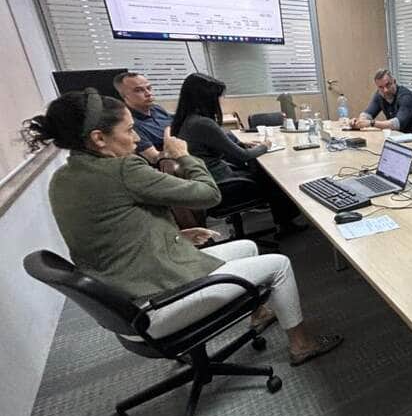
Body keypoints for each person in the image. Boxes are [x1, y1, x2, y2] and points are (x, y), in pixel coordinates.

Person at [21, 89, 342, 365]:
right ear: (99, 138)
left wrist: (174, 235)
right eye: (129, 130)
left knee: (249, 246)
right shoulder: (122, 170)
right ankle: (302, 345)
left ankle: (259, 313)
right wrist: (184, 157)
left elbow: (112, 231)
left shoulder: (62, 179)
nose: (135, 139)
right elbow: (209, 194)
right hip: (155, 305)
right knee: (281, 264)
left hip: (125, 296)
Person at [170, 72, 306, 236]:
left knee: (262, 170)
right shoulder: (203, 123)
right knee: (275, 177)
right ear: (205, 98)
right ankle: (286, 225)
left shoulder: (189, 120)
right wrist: (265, 146)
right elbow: (243, 156)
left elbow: (220, 146)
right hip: (223, 183)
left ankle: (284, 220)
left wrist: (241, 144)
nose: (220, 101)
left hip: (212, 178)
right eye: (218, 97)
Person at [114, 71, 171, 163]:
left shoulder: (157, 109)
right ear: (124, 95)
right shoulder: (129, 123)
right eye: (138, 90)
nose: (148, 93)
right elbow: (154, 158)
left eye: (149, 88)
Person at [350, 69, 412, 137]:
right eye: (381, 87)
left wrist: (371, 123)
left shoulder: (406, 96)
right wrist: (359, 122)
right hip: (396, 137)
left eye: (388, 85)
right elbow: (368, 113)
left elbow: (397, 124)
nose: (385, 90)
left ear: (394, 82)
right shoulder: (380, 95)